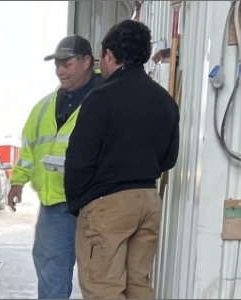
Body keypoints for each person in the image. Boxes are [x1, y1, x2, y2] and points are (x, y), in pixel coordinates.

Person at [64, 20, 179, 299]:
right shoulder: (164, 100)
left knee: (104, 289)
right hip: (148, 202)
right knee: (139, 284)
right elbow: (169, 159)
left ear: (109, 56)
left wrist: (80, 202)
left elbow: (79, 160)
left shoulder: (101, 98)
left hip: (108, 206)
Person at [7, 35, 102, 299]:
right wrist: (18, 180)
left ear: (86, 62)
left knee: (101, 276)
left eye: (66, 64)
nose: (60, 71)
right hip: (56, 204)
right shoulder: (44, 106)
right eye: (57, 65)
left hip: (95, 203)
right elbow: (29, 148)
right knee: (50, 268)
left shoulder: (106, 97)